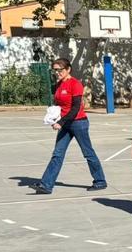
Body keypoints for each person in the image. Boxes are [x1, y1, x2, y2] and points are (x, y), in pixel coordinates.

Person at [31, 58, 107, 194]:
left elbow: (76, 108)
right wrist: (53, 117)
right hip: (66, 123)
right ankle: (46, 185)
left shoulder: (75, 84)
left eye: (60, 70)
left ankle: (100, 181)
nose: (57, 73)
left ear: (68, 69)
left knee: (88, 153)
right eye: (55, 70)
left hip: (78, 123)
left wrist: (61, 122)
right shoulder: (59, 84)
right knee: (57, 154)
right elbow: (60, 105)